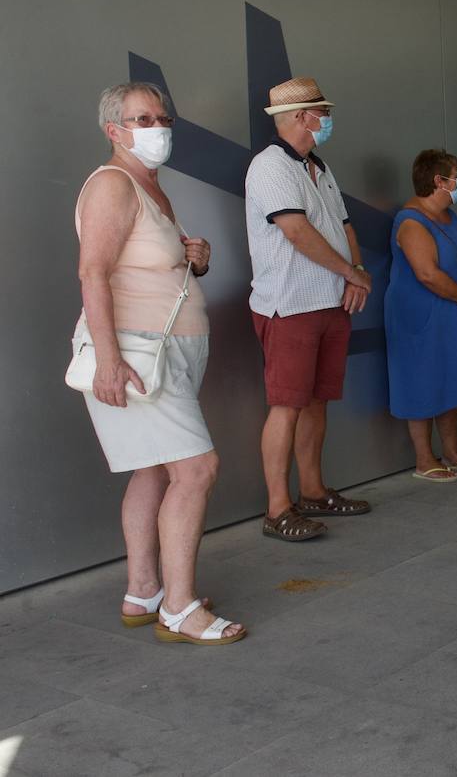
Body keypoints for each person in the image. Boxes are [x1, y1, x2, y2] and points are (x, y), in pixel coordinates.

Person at [74, 82, 245, 645]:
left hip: (167, 350)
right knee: (195, 470)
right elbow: (93, 273)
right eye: (142, 118)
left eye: (162, 116)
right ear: (114, 131)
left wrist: (191, 260)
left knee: (154, 468)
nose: (157, 127)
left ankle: (143, 591)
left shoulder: (151, 188)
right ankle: (179, 608)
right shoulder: (111, 185)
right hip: (136, 354)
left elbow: (143, 265)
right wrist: (107, 359)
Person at [245, 77, 372, 541]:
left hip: (329, 302)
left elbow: (342, 224)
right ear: (302, 117)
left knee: (317, 401)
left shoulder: (318, 165)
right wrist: (351, 272)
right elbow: (295, 231)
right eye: (323, 113)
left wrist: (354, 268)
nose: (327, 121)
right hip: (290, 305)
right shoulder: (269, 165)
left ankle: (314, 491)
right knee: (286, 405)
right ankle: (278, 508)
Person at [385, 149, 457, 481]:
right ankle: (423, 459)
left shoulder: (449, 216)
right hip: (421, 314)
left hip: (454, 311)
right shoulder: (411, 222)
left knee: (452, 378)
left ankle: (452, 451)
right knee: (421, 379)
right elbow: (427, 274)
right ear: (438, 181)